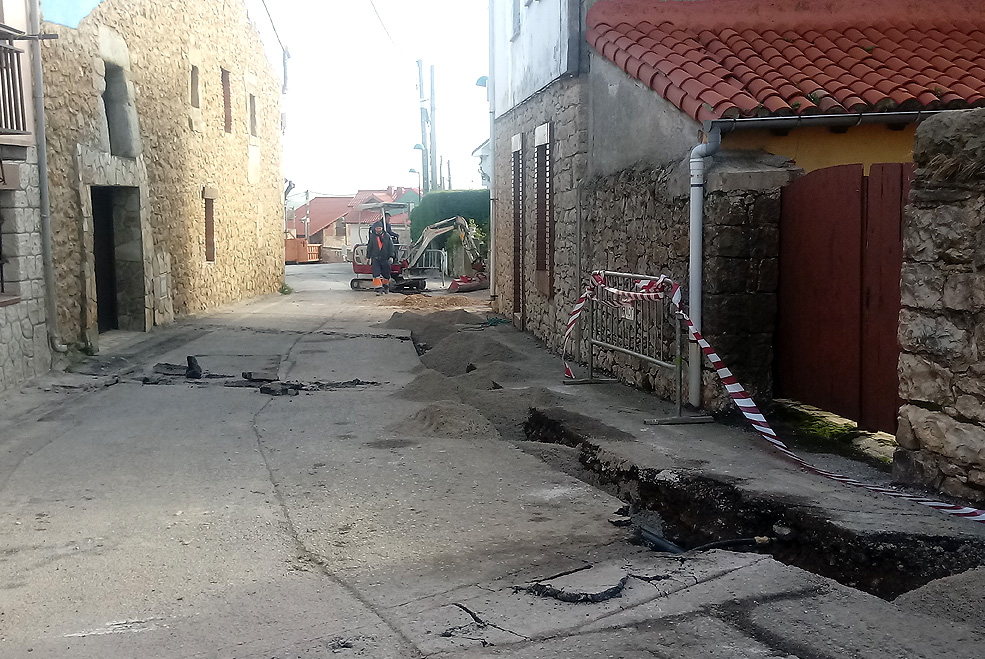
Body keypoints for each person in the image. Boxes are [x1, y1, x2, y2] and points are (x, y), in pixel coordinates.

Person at [366, 222, 395, 294]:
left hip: (385, 258)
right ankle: (379, 289)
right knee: (376, 274)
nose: (378, 229)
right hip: (375, 258)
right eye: (377, 228)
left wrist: (391, 256)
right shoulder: (372, 236)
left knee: (386, 275)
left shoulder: (387, 236)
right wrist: (368, 257)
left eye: (379, 228)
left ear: (382, 228)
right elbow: (370, 247)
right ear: (375, 229)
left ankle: (385, 286)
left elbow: (391, 247)